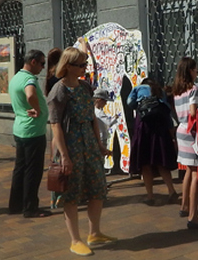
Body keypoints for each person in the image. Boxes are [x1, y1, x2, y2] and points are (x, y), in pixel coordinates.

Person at [48, 47, 116, 257]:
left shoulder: (85, 86)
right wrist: (65, 156)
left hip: (89, 143)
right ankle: (75, 239)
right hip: (71, 144)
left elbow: (92, 118)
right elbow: (55, 126)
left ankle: (94, 232)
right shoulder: (59, 91)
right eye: (81, 65)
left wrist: (99, 144)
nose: (84, 68)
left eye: (85, 64)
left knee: (97, 188)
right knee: (71, 194)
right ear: (68, 66)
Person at [8, 49, 50, 218]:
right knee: (33, 170)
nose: (43, 67)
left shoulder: (16, 77)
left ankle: (15, 205)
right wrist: (38, 109)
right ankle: (30, 207)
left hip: (20, 129)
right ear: (33, 62)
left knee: (20, 168)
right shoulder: (28, 78)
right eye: (42, 63)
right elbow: (31, 94)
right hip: (32, 131)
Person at [171, 57, 198, 229]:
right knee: (196, 173)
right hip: (191, 132)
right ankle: (193, 215)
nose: (197, 72)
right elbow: (194, 112)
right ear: (189, 71)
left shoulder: (177, 91)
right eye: (195, 69)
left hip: (181, 130)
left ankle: (184, 205)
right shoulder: (193, 89)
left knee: (188, 169)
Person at [127, 78, 178, 206]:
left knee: (145, 163)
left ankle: (150, 196)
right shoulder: (160, 92)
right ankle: (171, 190)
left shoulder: (137, 89)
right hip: (160, 130)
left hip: (143, 128)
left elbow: (130, 103)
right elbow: (167, 114)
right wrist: (172, 135)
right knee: (161, 162)